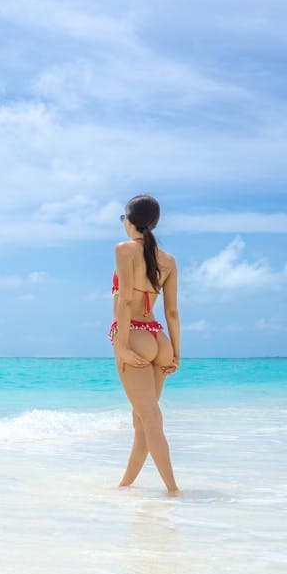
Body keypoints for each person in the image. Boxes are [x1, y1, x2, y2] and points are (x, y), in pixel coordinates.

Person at [109, 194, 180, 494]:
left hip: (134, 338)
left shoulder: (125, 250)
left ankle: (173, 490)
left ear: (131, 221)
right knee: (142, 419)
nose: (123, 224)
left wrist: (123, 345)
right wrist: (176, 351)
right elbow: (172, 312)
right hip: (158, 339)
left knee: (150, 418)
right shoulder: (168, 260)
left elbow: (125, 300)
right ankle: (124, 486)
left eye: (123, 218)